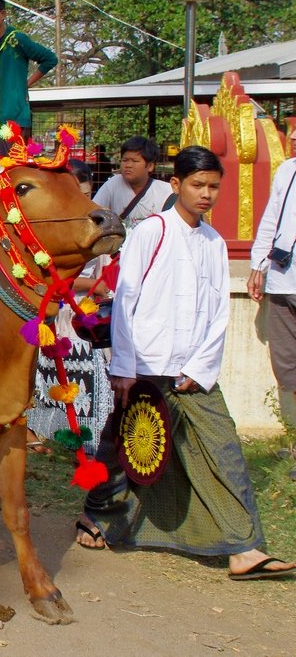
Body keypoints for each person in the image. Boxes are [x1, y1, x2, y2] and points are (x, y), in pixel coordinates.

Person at [74, 146, 296, 581]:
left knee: (224, 450)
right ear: (176, 185)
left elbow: (218, 312)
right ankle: (95, 519)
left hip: (194, 372)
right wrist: (123, 365)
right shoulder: (152, 232)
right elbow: (127, 300)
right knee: (124, 451)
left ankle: (244, 548)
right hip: (144, 365)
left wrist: (201, 366)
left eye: (214, 186)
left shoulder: (213, 242)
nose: (207, 194)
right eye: (198, 185)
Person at [28, 159, 113, 454]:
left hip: (85, 312)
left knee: (88, 372)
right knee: (46, 371)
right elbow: (47, 273)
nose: (83, 203)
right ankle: (44, 429)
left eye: (87, 196)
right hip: (56, 308)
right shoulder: (53, 227)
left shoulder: (98, 220)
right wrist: (90, 286)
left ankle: (87, 437)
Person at [248, 152, 296, 438]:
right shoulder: (287, 170)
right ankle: (293, 440)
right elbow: (272, 218)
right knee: (286, 365)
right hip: (282, 281)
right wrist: (258, 265)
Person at [0, 0, 57, 142]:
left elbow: (50, 59)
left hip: (12, 116)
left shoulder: (16, 39)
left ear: (2, 14)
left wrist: (25, 85)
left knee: (9, 161)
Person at [92, 136, 173, 230]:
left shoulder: (166, 191)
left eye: (135, 161)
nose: (128, 165)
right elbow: (93, 213)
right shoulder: (113, 184)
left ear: (150, 166)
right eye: (125, 160)